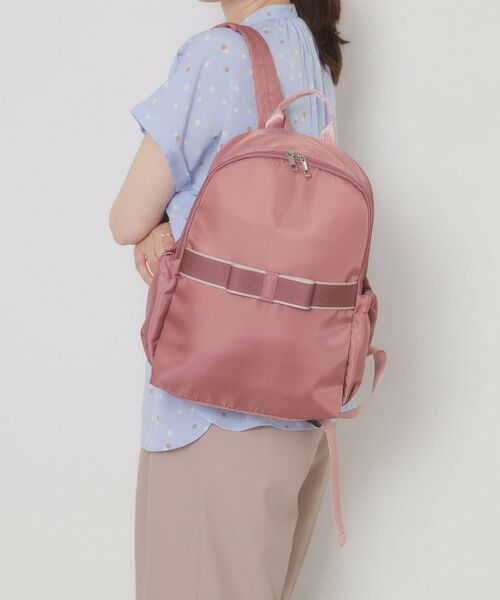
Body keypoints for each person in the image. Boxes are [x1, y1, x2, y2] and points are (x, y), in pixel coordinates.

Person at [109, 1, 347, 598]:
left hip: (211, 412)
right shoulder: (310, 52)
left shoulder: (219, 53)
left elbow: (125, 216)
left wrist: (155, 227)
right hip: (299, 411)